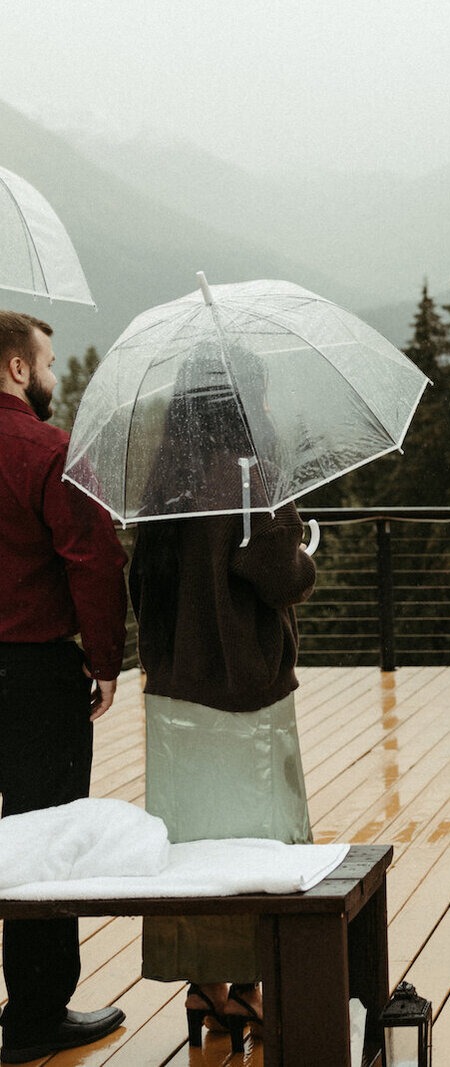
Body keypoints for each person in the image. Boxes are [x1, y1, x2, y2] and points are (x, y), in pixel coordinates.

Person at [128, 364, 317, 1053]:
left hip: (175, 692)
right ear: (243, 403)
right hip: (246, 693)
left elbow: (139, 583)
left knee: (191, 844)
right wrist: (306, 554)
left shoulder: (162, 481)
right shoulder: (249, 476)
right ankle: (249, 983)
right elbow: (278, 577)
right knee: (259, 841)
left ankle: (205, 987)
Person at [0, 311, 128, 1063]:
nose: (51, 375)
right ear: (18, 368)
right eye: (46, 363)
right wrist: (105, 659)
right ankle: (38, 1013)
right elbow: (94, 557)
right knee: (41, 840)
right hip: (34, 675)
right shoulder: (48, 449)